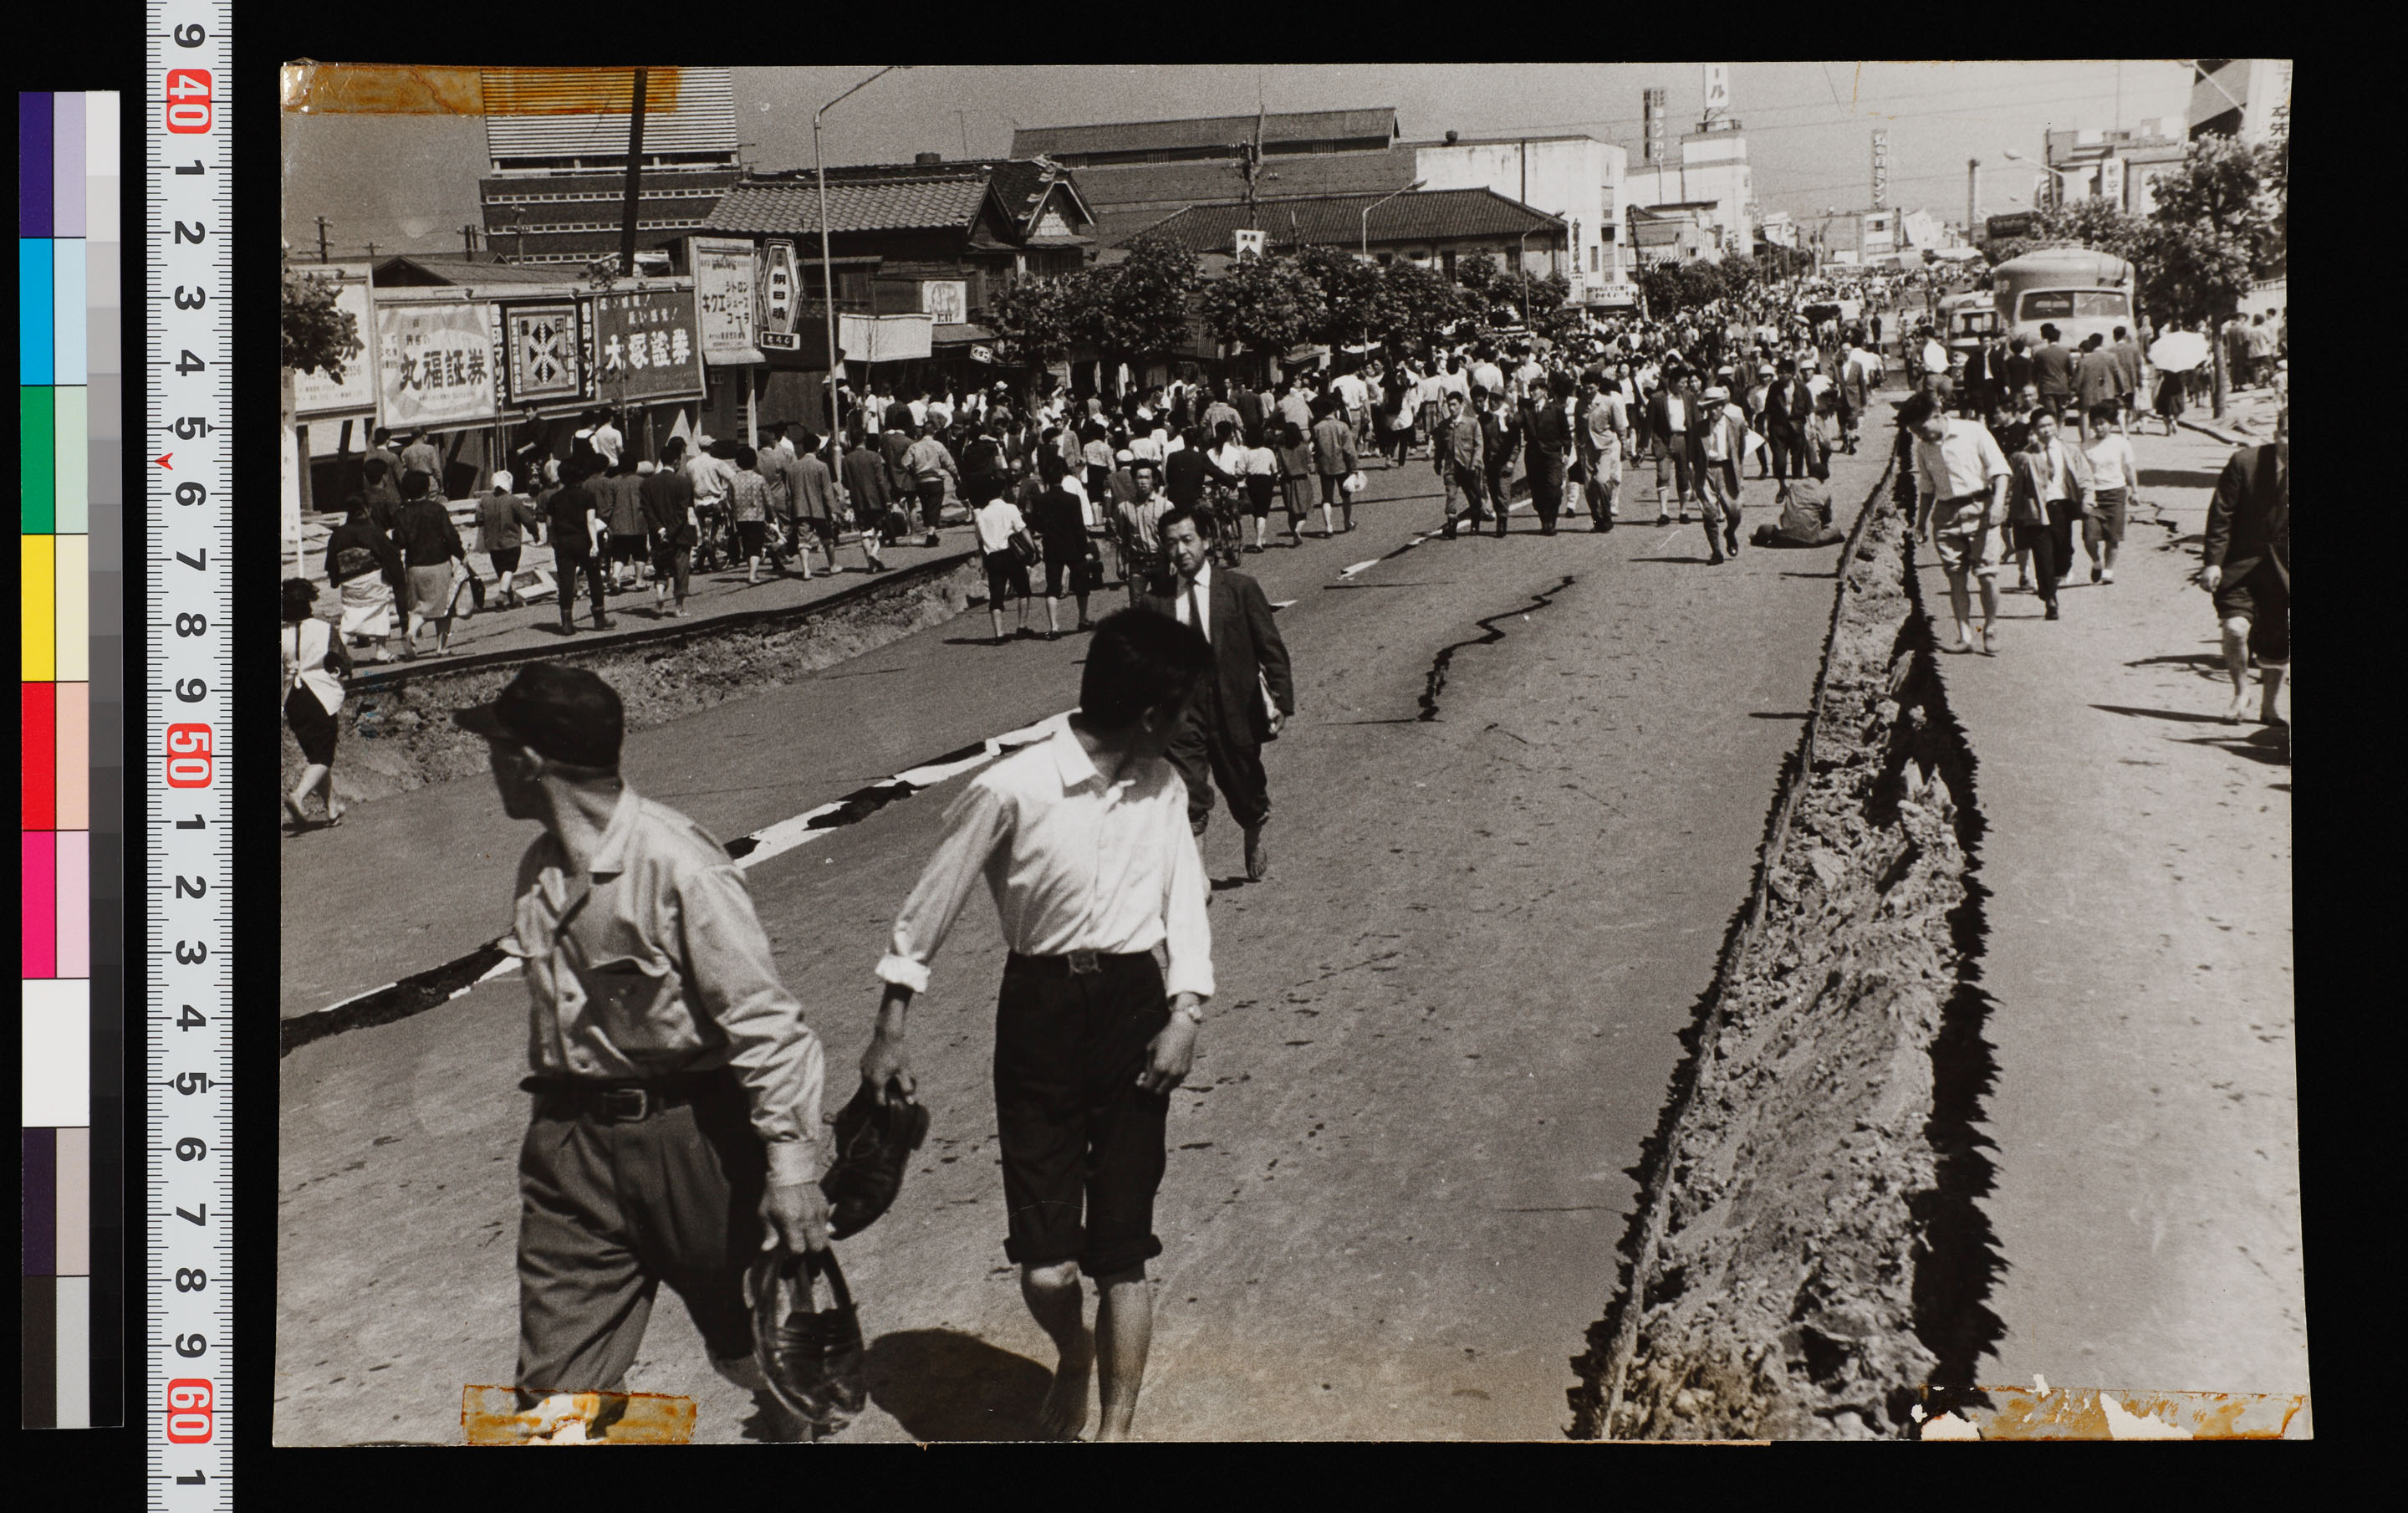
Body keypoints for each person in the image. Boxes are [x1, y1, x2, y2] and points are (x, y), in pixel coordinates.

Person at [860, 610, 1215, 1442]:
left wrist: (1187, 1011)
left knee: (1123, 1251)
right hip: (1039, 1017)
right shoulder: (1012, 787)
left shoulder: (1160, 786)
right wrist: (891, 1025)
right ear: (1152, 714)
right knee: (1048, 1266)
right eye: (1187, 709)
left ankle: (1115, 1433)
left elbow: (1184, 904)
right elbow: (932, 904)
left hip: (1135, 1006)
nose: (1192, 725)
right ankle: (1073, 1352)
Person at [447, 664, 834, 1427]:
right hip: (570, 1148)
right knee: (554, 1406)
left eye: (496, 748)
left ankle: (792, 1410)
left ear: (528, 762)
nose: (487, 766)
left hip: (694, 1143)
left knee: (748, 1349)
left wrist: (791, 1169)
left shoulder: (677, 863)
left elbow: (764, 1020)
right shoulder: (540, 867)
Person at [1143, 508, 1295, 878]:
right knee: (1187, 791)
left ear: (1207, 541)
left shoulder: (1240, 590)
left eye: (1187, 539)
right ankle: (1197, 883)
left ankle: (1254, 829)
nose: (1180, 550)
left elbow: (1271, 649)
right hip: (1182, 710)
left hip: (1234, 705)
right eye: (1171, 543)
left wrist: (1281, 701)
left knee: (1244, 787)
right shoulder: (1155, 601)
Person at [1905, 388, 2013, 656]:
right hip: (1946, 515)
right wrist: (1920, 523)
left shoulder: (1973, 431)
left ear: (1936, 415)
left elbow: (1999, 471)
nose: (1920, 435)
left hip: (1981, 508)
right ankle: (1965, 634)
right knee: (1956, 578)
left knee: (1987, 576)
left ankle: (1988, 628)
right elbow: (1927, 487)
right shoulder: (1923, 448)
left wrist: (1998, 505)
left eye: (1922, 428)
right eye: (1915, 432)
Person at [2201, 406, 2288, 726]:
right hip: (2239, 565)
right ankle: (2241, 692)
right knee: (2235, 629)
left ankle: (2269, 708)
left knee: (2276, 644)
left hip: (2283, 573)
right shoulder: (2245, 463)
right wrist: (2212, 563)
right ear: (2277, 434)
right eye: (2287, 433)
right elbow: (2220, 517)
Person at [2004, 408, 2094, 622]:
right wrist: (2008, 512)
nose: (2046, 430)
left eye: (2049, 425)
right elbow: (2012, 486)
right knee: (2043, 556)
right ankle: (2050, 600)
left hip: (2062, 508)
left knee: (2065, 554)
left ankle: (2051, 584)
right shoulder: (2025, 456)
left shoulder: (2069, 451)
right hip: (2037, 511)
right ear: (2034, 430)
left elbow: (2085, 476)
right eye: (2041, 427)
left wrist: (2088, 499)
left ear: (2057, 426)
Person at [282, 576, 354, 829]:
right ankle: (298, 795)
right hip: (320, 695)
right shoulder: (325, 629)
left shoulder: (282, 635)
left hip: (293, 698)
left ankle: (331, 807)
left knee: (314, 755)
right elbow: (343, 661)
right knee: (323, 756)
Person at [393, 471, 470, 657]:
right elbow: (450, 536)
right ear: (427, 489)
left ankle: (411, 633)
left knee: (420, 607)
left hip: (414, 567)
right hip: (439, 564)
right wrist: (461, 555)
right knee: (444, 608)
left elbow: (399, 542)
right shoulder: (437, 510)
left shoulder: (401, 513)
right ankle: (441, 647)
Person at [324, 491, 403, 662]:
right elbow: (391, 555)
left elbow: (331, 563)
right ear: (367, 509)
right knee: (380, 611)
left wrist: (336, 579)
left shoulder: (338, 534)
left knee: (350, 616)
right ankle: (381, 650)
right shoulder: (373, 531)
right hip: (372, 580)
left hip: (350, 583)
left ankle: (338, 650)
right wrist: (398, 579)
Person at [1029, 452, 1097, 640]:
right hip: (1073, 547)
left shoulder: (1040, 500)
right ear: (1062, 477)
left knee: (1052, 587)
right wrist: (1086, 550)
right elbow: (1078, 528)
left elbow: (1037, 525)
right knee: (1081, 585)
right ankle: (1083, 618)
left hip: (1052, 546)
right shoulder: (1071, 499)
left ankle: (1054, 626)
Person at [547, 458, 613, 635]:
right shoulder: (586, 497)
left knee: (566, 581)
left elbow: (549, 523)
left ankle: (567, 622)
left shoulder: (555, 499)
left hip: (563, 543)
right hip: (583, 540)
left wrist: (553, 541)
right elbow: (590, 522)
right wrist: (594, 544)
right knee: (594, 578)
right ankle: (599, 617)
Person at [2079, 401, 2139, 585]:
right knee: (2089, 536)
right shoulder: (2085, 447)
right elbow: (2081, 473)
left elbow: (2129, 468)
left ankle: (2108, 571)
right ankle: (2096, 562)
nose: (2099, 427)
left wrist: (2135, 490)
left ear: (2111, 423)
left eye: (2103, 422)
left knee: (2113, 538)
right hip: (2093, 496)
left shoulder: (2121, 443)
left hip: (2116, 493)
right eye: (2095, 423)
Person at [974, 473, 1034, 645]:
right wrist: (1032, 549)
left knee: (996, 595)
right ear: (1002, 491)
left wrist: (984, 559)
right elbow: (1022, 530)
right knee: (1023, 590)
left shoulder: (981, 515)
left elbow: (979, 541)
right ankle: (1022, 626)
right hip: (1011, 554)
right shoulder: (1010, 508)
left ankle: (998, 634)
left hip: (993, 556)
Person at [640, 443, 697, 617]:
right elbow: (683, 511)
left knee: (661, 566)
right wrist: (670, 531)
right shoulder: (683, 483)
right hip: (679, 534)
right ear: (676, 462)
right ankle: (679, 607)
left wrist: (660, 529)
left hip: (657, 534)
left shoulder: (647, 484)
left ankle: (659, 593)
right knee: (681, 568)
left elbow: (647, 510)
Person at [475, 471, 543, 611]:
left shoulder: (484, 501)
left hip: (492, 543)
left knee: (502, 572)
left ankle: (511, 599)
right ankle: (501, 596)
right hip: (511, 541)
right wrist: (535, 534)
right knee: (509, 568)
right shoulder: (514, 501)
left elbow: (479, 520)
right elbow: (528, 520)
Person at [1693, 386, 1747, 564]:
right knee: (1709, 513)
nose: (1714, 410)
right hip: (1707, 470)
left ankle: (1730, 532)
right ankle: (1716, 552)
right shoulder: (1699, 428)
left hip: (1727, 469)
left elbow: (1740, 450)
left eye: (1717, 406)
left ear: (1723, 406)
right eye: (1710, 407)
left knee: (1735, 511)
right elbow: (1694, 455)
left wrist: (1740, 473)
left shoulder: (1736, 423)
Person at [1116, 460, 1174, 606]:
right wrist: (1120, 562)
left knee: (1164, 604)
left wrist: (1174, 561)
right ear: (1134, 480)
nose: (1143, 482)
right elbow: (1122, 538)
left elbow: (1173, 536)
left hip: (1161, 561)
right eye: (1139, 478)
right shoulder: (1124, 508)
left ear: (1153, 480)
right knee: (1136, 605)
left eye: (1146, 478)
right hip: (1137, 563)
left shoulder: (1165, 506)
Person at [1645, 371, 1696, 524]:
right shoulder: (1657, 398)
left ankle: (1683, 511)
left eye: (1686, 382)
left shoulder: (1689, 397)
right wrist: (1643, 446)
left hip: (1683, 440)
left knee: (1683, 477)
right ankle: (1664, 513)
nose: (1685, 385)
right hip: (1663, 441)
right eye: (1682, 382)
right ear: (1672, 382)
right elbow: (1648, 424)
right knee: (1663, 476)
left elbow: (1695, 420)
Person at [1435, 391, 1486, 540]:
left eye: (1454, 405)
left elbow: (1479, 445)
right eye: (1448, 405)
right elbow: (1440, 447)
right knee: (1451, 493)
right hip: (1451, 467)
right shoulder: (1443, 426)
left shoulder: (1472, 423)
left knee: (1474, 497)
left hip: (1468, 466)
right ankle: (1451, 522)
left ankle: (1475, 523)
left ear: (1461, 405)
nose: (1451, 408)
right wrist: (1437, 463)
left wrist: (1475, 463)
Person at [1579, 377, 1625, 533]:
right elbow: (1579, 427)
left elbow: (1619, 427)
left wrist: (1624, 446)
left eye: (1591, 387)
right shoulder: (1580, 404)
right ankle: (1597, 519)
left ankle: (1606, 513)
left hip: (1605, 446)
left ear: (1597, 386)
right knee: (1588, 487)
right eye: (1585, 387)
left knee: (1602, 481)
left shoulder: (1608, 402)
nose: (1588, 391)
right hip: (1587, 448)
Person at [904, 424, 959, 548]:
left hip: (921, 481)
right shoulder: (938, 445)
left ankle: (931, 532)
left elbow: (905, 463)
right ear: (933, 432)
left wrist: (913, 472)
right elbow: (949, 463)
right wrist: (955, 476)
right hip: (935, 479)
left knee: (925, 504)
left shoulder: (914, 446)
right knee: (935, 505)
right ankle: (930, 533)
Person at [1309, 401, 1360, 537]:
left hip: (1324, 465)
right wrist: (1354, 468)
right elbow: (1349, 449)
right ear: (1335, 410)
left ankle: (1328, 526)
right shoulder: (1342, 426)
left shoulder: (1317, 428)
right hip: (1341, 465)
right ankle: (1347, 522)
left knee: (1326, 497)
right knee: (1346, 495)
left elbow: (1314, 447)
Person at [1477, 386, 1521, 538]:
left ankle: (1502, 521)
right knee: (1494, 491)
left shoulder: (1509, 418)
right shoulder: (1483, 418)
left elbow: (1516, 442)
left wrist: (1511, 461)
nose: (1493, 402)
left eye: (1497, 399)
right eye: (1491, 399)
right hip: (1489, 461)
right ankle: (1499, 511)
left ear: (1502, 401)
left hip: (1504, 461)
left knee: (1503, 491)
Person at [2031, 325, 2074, 425]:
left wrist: (2034, 383)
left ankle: (2053, 432)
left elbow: (2035, 372)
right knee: (2061, 412)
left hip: (2046, 387)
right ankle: (2059, 431)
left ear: (2047, 338)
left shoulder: (2041, 353)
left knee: (2050, 412)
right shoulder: (2066, 353)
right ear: (2059, 338)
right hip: (2062, 387)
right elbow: (2071, 372)